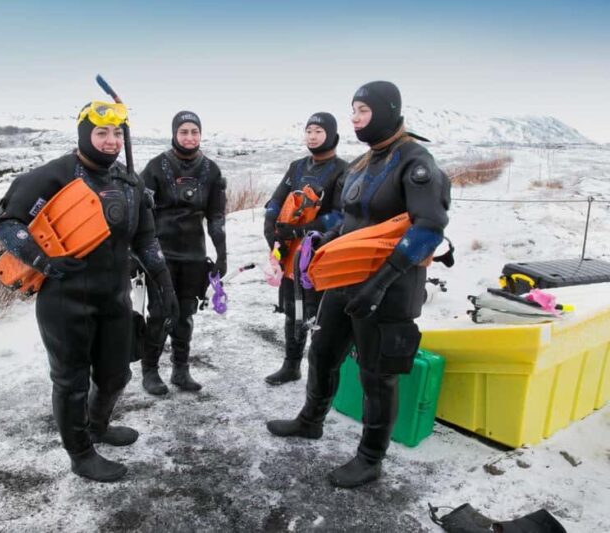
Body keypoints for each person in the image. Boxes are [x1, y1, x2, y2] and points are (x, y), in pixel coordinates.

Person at [266, 81, 451, 488]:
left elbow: (429, 228)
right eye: (352, 110)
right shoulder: (363, 163)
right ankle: (310, 420)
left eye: (363, 110)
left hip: (392, 286)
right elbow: (347, 219)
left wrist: (381, 283)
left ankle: (370, 458)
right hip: (347, 279)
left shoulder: (415, 163)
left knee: (377, 375)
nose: (354, 118)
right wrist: (319, 238)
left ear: (387, 110)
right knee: (322, 352)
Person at [0, 101, 179, 483]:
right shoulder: (53, 176)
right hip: (65, 299)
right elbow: (8, 225)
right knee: (71, 382)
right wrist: (44, 261)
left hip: (113, 297)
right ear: (84, 134)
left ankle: (97, 426)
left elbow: (145, 238)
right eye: (101, 133)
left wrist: (164, 283)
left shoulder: (129, 182)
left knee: (115, 377)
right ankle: (80, 454)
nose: (111, 141)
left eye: (117, 134)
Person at [138, 111, 227, 395]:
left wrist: (221, 254)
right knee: (160, 313)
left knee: (185, 314)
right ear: (174, 134)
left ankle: (180, 369)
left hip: (193, 256)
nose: (189, 137)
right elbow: (140, 214)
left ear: (201, 134)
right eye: (184, 131)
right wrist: (135, 253)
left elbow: (215, 216)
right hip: (160, 255)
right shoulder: (156, 167)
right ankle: (150, 371)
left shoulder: (211, 171)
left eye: (194, 132)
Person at [262, 112, 348, 385]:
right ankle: (291, 365)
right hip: (291, 250)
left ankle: (320, 370)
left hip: (321, 249)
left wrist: (303, 230)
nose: (312, 136)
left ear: (332, 136)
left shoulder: (343, 170)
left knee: (316, 313)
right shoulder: (297, 166)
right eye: (309, 131)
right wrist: (271, 220)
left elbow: (340, 214)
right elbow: (277, 199)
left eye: (318, 131)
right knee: (292, 308)